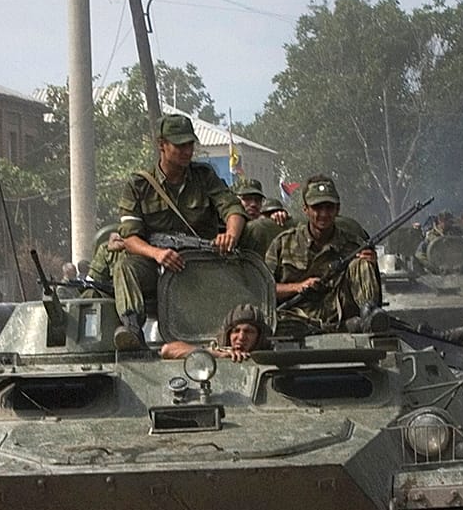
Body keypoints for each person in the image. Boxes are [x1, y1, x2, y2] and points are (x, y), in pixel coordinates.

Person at [110, 114, 246, 349]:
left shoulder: (204, 177)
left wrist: (230, 234)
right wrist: (157, 254)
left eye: (190, 144)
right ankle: (132, 330)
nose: (187, 150)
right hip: (157, 265)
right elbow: (130, 238)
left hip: (203, 263)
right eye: (179, 145)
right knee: (125, 266)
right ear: (161, 145)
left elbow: (232, 207)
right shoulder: (139, 185)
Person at [265, 175, 380, 334]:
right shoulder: (283, 244)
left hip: (343, 318)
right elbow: (264, 291)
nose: (324, 214)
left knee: (362, 262)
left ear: (337, 209)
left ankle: (370, 321)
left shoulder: (354, 245)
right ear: (306, 209)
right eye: (317, 208)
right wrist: (298, 287)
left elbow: (375, 292)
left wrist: (371, 267)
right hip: (296, 320)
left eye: (329, 207)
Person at [160, 303, 269, 363]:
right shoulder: (218, 352)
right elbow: (168, 350)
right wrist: (216, 355)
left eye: (249, 331)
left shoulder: (269, 357)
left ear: (259, 336)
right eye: (236, 331)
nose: (241, 337)